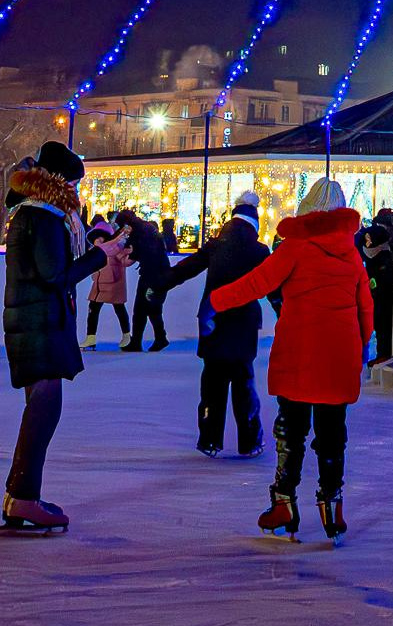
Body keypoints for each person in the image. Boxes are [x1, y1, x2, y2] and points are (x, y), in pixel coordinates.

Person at [212, 176, 376, 542]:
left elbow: (258, 283)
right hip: (339, 354)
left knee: (292, 430)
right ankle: (333, 508)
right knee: (333, 433)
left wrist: (218, 300)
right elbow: (366, 306)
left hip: (300, 351)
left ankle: (284, 502)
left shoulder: (296, 247)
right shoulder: (351, 254)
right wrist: (360, 346)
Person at [0, 142, 102, 535]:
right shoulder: (42, 218)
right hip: (40, 323)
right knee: (43, 411)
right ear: (60, 183)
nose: (77, 191)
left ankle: (19, 495)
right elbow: (55, 276)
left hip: (37, 321)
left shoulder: (34, 214)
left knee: (41, 410)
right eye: (74, 183)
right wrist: (98, 257)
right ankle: (23, 495)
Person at [158, 189, 271, 457]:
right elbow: (273, 285)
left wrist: (159, 283)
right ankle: (250, 441)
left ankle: (209, 439)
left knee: (212, 382)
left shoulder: (215, 244)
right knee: (243, 382)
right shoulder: (259, 250)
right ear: (254, 224)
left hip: (213, 322)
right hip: (243, 324)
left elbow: (186, 269)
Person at [123, 208, 175, 352]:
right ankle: (157, 338)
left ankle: (146, 340)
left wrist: (120, 254)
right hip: (159, 273)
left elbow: (130, 259)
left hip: (150, 275)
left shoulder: (138, 233)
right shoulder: (148, 228)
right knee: (152, 307)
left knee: (143, 308)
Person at [81, 219, 128, 351]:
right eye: (96, 238)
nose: (97, 240)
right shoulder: (95, 251)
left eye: (100, 237)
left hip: (113, 283)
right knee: (93, 309)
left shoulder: (115, 248)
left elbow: (124, 261)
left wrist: (132, 253)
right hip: (99, 284)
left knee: (119, 307)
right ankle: (91, 337)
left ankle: (126, 335)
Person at [360, 211, 393, 360]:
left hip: (379, 285)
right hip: (380, 284)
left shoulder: (375, 237)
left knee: (382, 319)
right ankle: (383, 353)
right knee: (381, 319)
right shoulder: (387, 241)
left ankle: (384, 353)